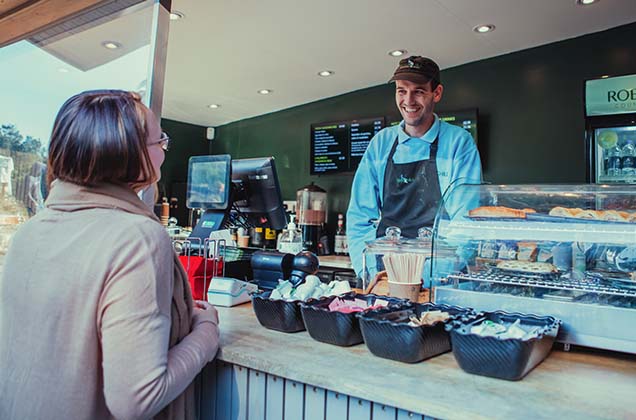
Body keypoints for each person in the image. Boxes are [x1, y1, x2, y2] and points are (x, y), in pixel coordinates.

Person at [0, 90, 220, 420]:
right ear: (128, 156)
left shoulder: (28, 233)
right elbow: (138, 398)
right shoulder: (137, 239)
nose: (163, 151)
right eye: (159, 142)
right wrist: (206, 331)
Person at [347, 56, 483, 278]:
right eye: (401, 91)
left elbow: (464, 222)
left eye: (418, 91)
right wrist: (369, 271)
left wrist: (429, 277)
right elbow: (360, 216)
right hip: (384, 273)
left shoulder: (459, 142)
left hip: (437, 276)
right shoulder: (381, 144)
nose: (408, 100)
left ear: (436, 93)